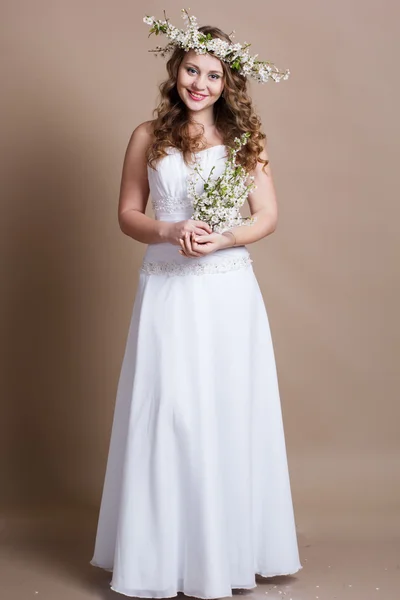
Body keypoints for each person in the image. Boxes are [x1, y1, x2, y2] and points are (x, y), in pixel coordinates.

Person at [90, 9, 302, 599]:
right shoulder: (146, 136)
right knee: (170, 408)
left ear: (228, 83)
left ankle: (225, 553)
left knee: (223, 407)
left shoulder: (243, 142)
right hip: (166, 287)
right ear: (175, 69)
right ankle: (161, 556)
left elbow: (267, 217)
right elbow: (128, 214)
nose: (200, 83)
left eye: (213, 75)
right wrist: (171, 228)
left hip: (227, 288)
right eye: (191, 69)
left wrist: (223, 236)